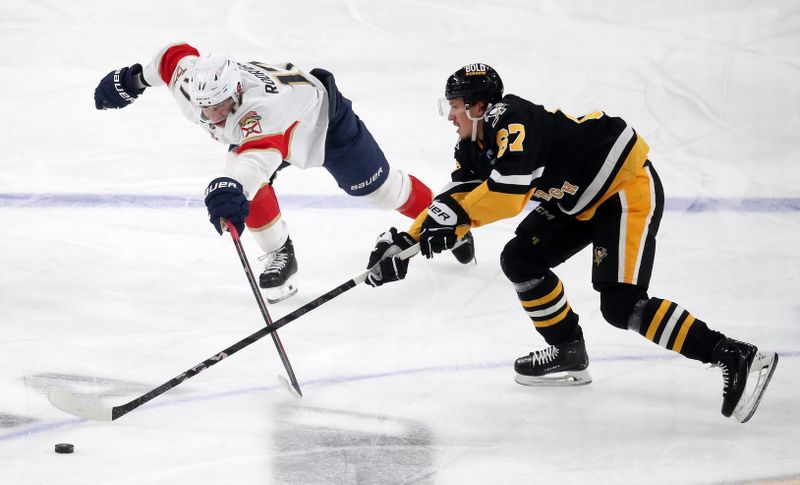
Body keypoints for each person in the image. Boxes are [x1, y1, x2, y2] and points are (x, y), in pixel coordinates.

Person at [364, 63, 778, 423]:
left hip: (623, 190)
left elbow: (507, 197)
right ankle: (568, 350)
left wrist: (452, 220)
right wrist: (406, 241)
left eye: (455, 106)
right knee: (520, 259)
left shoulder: (512, 118)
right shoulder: (471, 147)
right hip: (576, 201)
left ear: (478, 106)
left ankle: (731, 354)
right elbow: (451, 202)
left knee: (621, 304)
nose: (450, 116)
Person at [93, 42, 475, 303]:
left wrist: (228, 187)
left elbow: (254, 161)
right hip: (268, 132)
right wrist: (132, 80)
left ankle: (449, 221)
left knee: (382, 191)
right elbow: (172, 56)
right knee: (243, 181)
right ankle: (281, 254)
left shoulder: (260, 111)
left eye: (221, 106)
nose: (211, 116)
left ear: (237, 91)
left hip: (323, 124)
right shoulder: (194, 84)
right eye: (204, 107)